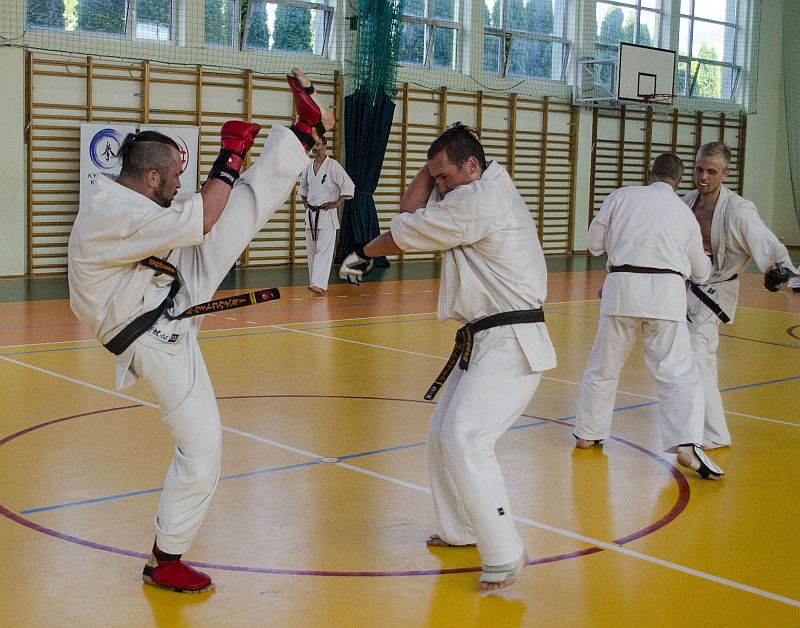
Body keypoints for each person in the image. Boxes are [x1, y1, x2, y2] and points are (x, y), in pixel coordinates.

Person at [68, 68, 333, 593]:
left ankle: (301, 135)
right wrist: (230, 153)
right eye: (172, 176)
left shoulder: (132, 200)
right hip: (152, 333)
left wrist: (245, 161)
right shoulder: (115, 214)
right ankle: (164, 560)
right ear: (151, 178)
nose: (177, 184)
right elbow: (204, 217)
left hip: (162, 288)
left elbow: (213, 214)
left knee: (238, 210)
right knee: (203, 447)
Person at [340, 122, 557, 591]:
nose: (439, 186)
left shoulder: (478, 201)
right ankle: (460, 529)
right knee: (442, 434)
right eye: (436, 178)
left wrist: (362, 250)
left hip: (512, 340)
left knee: (466, 436)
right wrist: (436, 163)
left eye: (445, 176)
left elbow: (404, 227)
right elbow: (411, 212)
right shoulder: (475, 189)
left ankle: (504, 551)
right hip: (486, 339)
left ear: (472, 166)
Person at [572, 153, 725, 480]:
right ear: (679, 181)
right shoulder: (684, 213)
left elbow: (594, 244)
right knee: (677, 373)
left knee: (603, 366)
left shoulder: (620, 197)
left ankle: (587, 432)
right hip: (666, 297)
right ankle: (686, 443)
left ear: (649, 173)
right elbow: (701, 272)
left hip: (621, 289)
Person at [684, 142, 799, 449]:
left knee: (697, 356)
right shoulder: (688, 201)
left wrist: (779, 268)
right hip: (687, 287)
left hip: (715, 290)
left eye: (711, 171)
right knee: (694, 358)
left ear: (725, 173)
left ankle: (714, 433)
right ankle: (700, 426)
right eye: (699, 169)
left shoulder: (738, 209)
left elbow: (764, 240)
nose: (703, 177)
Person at [299, 134, 354, 293]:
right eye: (313, 145)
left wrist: (336, 203)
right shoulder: (308, 166)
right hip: (311, 215)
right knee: (312, 252)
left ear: (325, 146)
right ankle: (314, 283)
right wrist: (305, 202)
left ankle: (320, 284)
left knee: (323, 251)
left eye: (318, 145)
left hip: (326, 215)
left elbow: (348, 186)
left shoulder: (333, 166)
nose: (315, 148)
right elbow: (303, 188)